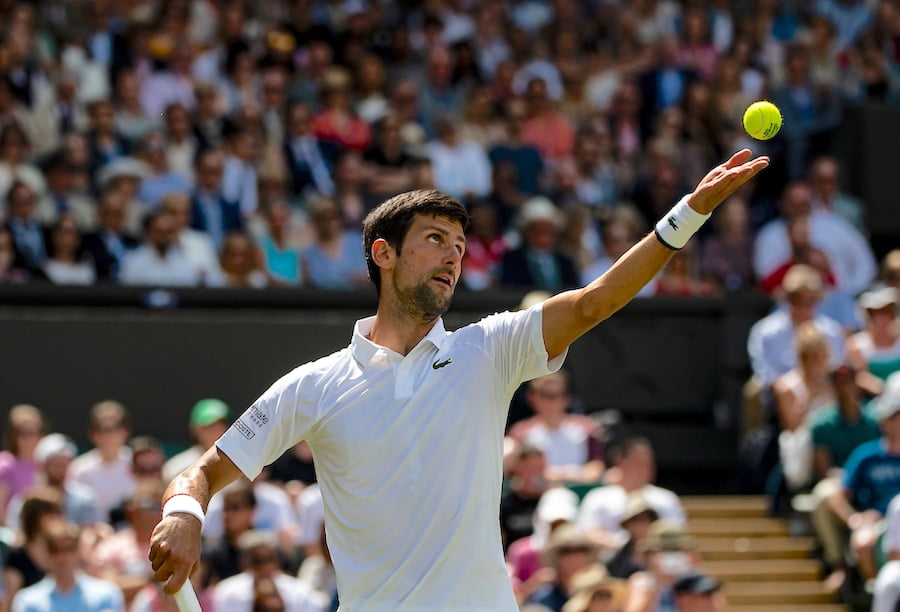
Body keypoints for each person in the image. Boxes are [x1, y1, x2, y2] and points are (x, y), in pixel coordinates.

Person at [150, 149, 768, 609]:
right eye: (436, 240)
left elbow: (593, 303)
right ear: (383, 254)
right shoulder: (314, 385)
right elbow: (203, 473)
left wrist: (689, 213)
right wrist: (184, 512)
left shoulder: (490, 348)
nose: (454, 256)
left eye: (461, 245)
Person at [11, 520, 123, 612]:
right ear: (47, 554)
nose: (62, 557)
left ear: (79, 552)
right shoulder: (27, 599)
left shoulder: (106, 593)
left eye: (69, 549)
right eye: (55, 550)